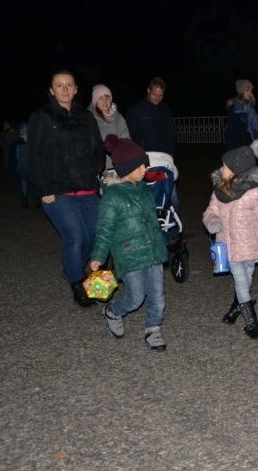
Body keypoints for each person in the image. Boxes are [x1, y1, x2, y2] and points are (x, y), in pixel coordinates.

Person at [28, 70, 105, 307]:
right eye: (59, 85)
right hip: (57, 190)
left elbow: (98, 150)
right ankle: (77, 283)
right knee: (75, 236)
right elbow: (35, 155)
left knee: (95, 236)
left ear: (75, 89)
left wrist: (95, 167)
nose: (64, 89)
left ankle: (71, 266)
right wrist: (43, 188)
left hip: (87, 188)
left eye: (69, 85)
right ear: (51, 90)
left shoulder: (87, 118)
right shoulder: (42, 117)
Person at [202, 140, 258, 340]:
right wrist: (212, 222)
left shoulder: (254, 193)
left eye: (224, 166)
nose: (220, 169)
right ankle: (252, 325)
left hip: (250, 244)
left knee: (247, 279)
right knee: (241, 283)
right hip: (229, 245)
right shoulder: (219, 191)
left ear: (236, 171)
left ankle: (235, 308)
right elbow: (210, 212)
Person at [90, 135, 169, 353]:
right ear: (126, 168)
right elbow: (104, 229)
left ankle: (153, 330)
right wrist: (98, 256)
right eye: (140, 165)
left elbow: (152, 222)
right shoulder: (112, 197)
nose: (145, 168)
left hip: (152, 251)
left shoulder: (145, 189)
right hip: (129, 254)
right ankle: (113, 311)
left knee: (158, 296)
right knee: (135, 297)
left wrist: (162, 243)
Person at [126, 77, 180, 215]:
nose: (157, 98)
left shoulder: (166, 110)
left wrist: (172, 154)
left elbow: (171, 134)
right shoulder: (135, 111)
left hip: (166, 160)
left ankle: (177, 230)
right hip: (146, 161)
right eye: (154, 94)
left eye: (160, 95)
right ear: (148, 90)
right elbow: (132, 136)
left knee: (172, 196)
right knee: (147, 195)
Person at [87, 84, 130, 170]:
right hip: (99, 169)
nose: (105, 100)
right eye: (100, 98)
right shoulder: (88, 118)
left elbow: (127, 141)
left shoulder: (119, 117)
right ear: (95, 101)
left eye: (107, 97)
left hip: (119, 166)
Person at [226, 79, 258, 151]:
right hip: (238, 145)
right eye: (247, 90)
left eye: (251, 90)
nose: (250, 93)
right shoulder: (234, 108)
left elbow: (256, 129)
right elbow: (231, 130)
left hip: (251, 145)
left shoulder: (251, 108)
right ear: (241, 91)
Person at [10, 124, 38, 209]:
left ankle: (38, 203)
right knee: (24, 187)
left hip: (33, 168)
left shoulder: (33, 142)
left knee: (36, 186)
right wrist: (14, 166)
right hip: (23, 168)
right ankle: (24, 202)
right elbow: (12, 156)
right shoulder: (16, 143)